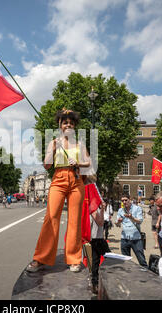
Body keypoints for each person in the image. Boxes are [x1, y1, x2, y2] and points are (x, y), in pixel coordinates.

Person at [26, 109, 91, 273]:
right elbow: (47, 165)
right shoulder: (54, 142)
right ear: (60, 125)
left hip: (76, 180)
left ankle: (74, 259)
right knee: (51, 217)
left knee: (74, 220)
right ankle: (41, 258)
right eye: (64, 122)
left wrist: (77, 163)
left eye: (70, 122)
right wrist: (54, 149)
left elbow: (89, 164)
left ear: (74, 126)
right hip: (58, 179)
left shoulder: (80, 144)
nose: (68, 124)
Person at [115, 194, 148, 267]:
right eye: (122, 200)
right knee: (126, 262)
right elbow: (117, 224)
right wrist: (118, 222)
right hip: (124, 238)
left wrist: (131, 217)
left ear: (130, 200)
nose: (124, 202)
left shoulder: (137, 208)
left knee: (142, 260)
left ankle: (147, 274)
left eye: (126, 200)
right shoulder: (120, 210)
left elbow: (140, 221)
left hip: (136, 238)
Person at [90, 200, 110, 294]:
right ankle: (95, 284)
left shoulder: (96, 208)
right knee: (108, 259)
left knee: (97, 261)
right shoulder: (93, 209)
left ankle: (96, 284)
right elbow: (100, 222)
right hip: (95, 239)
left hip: (98, 238)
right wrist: (102, 209)